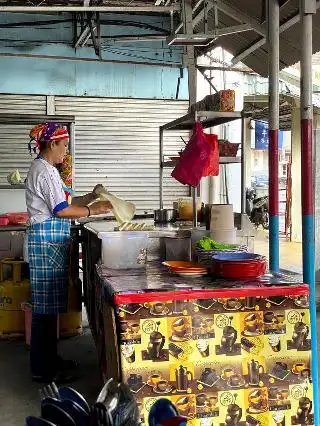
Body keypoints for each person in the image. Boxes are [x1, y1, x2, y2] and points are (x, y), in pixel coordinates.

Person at [25, 122, 111, 383]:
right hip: (45, 244)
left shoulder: (49, 170)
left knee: (50, 311)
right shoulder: (44, 171)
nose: (66, 152)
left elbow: (67, 202)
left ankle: (50, 360)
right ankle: (43, 369)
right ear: (52, 144)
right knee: (44, 313)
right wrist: (94, 211)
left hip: (50, 245)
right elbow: (61, 211)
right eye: (64, 146)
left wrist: (91, 197)